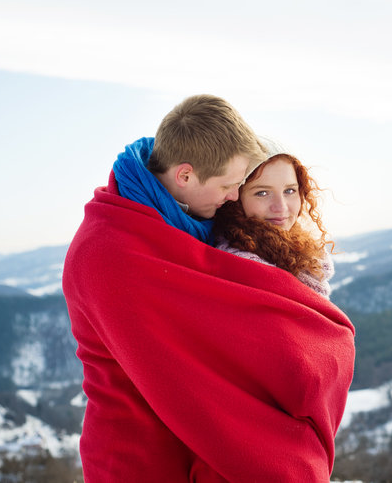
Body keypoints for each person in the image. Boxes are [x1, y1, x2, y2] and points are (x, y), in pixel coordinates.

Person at [62, 95, 356, 482]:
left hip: (191, 449)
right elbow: (202, 359)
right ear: (185, 175)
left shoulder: (178, 215)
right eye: (231, 186)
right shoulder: (111, 251)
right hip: (144, 459)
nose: (234, 198)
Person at [213, 141, 334, 298]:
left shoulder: (302, 251)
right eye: (262, 193)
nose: (280, 207)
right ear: (235, 199)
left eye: (289, 191)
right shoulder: (243, 268)